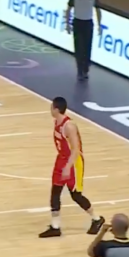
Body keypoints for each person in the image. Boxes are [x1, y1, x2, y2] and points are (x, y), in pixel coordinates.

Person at [40, 96, 105, 238]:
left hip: (73, 162)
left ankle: (97, 219)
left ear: (56, 109)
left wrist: (68, 166)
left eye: (52, 107)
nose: (50, 109)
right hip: (61, 159)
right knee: (55, 192)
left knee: (75, 195)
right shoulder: (57, 122)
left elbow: (76, 149)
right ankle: (55, 227)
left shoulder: (69, 126)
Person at [65, 0, 101, 81]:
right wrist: (67, 24)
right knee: (79, 48)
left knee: (87, 47)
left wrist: (99, 25)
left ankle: (86, 69)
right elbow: (68, 9)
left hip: (88, 23)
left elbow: (98, 10)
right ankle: (80, 70)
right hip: (78, 23)